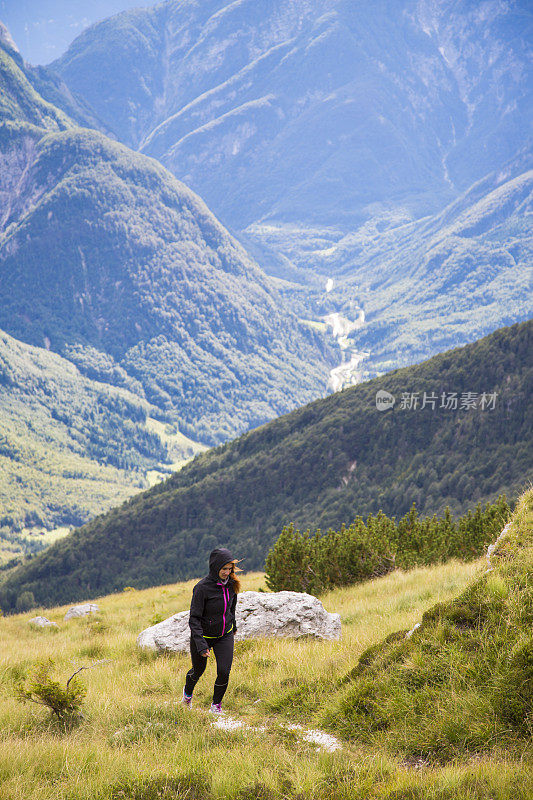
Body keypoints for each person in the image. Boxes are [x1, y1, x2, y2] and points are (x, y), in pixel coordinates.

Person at [182, 547, 242, 714]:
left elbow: (231, 607)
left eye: (230, 569)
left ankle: (216, 707)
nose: (227, 572)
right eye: (224, 569)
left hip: (224, 635)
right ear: (215, 567)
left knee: (224, 671)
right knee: (198, 671)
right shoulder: (202, 588)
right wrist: (201, 644)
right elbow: (194, 618)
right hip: (204, 637)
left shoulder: (231, 585)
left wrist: (233, 625)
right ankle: (187, 695)